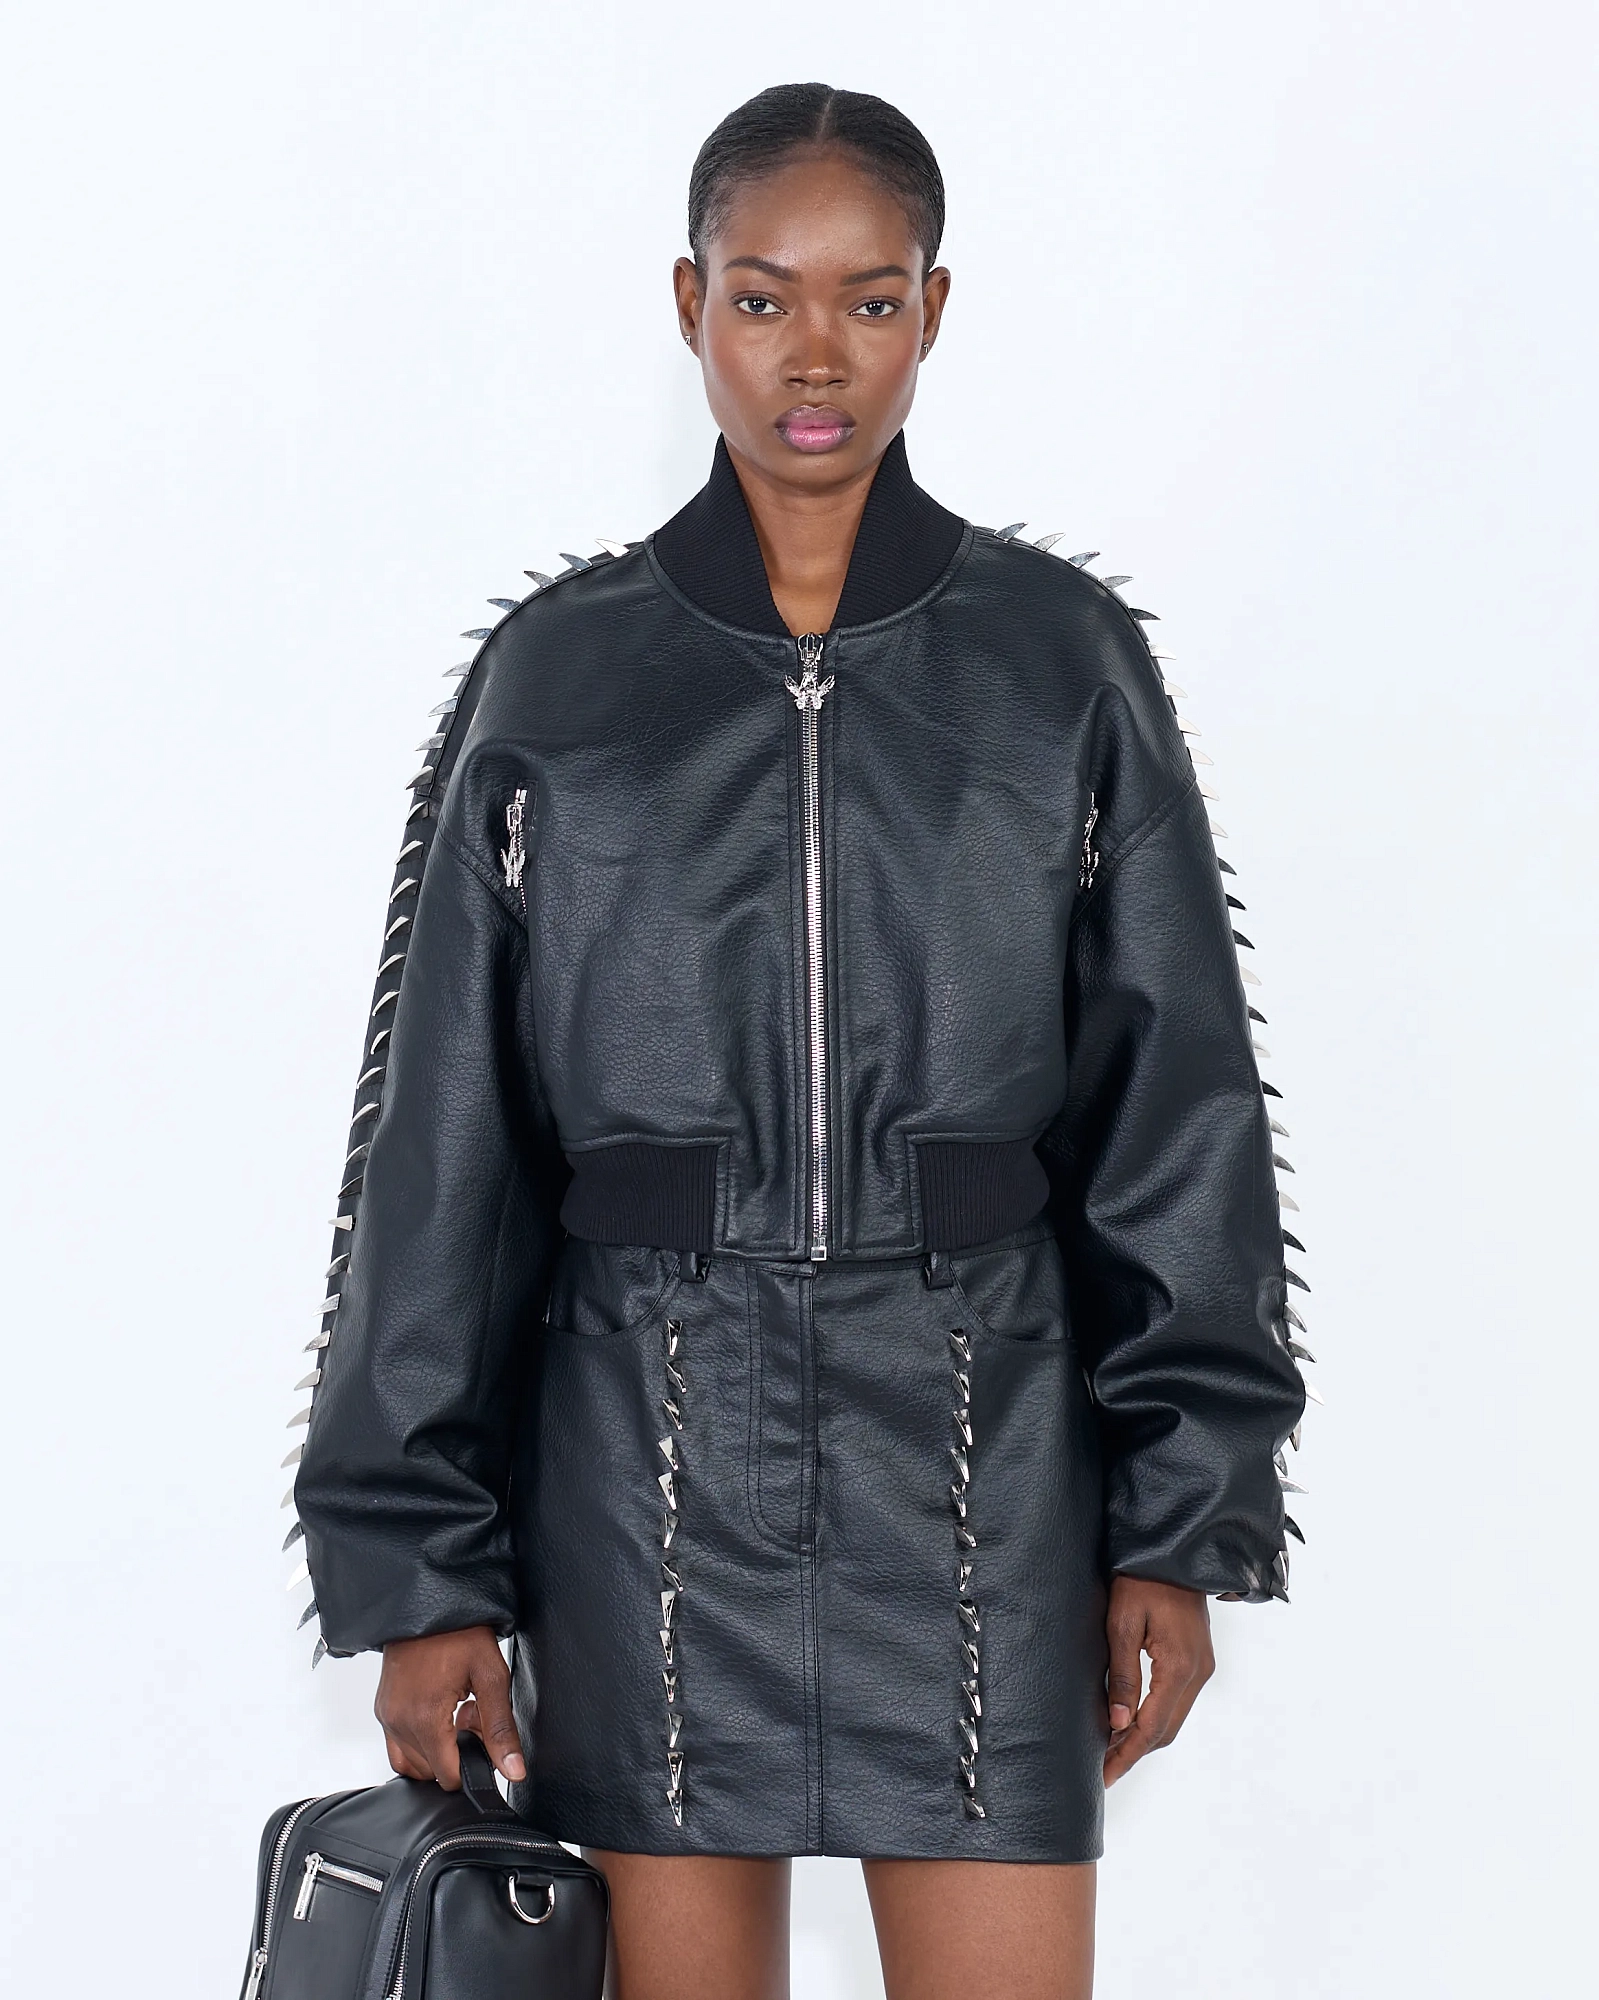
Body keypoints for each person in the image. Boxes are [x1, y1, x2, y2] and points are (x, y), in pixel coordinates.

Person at [288, 80, 1310, 2000]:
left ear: (936, 308)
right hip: (646, 1465)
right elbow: (446, 1146)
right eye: (762, 299)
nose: (814, 355)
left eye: (869, 297)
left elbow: (1174, 1109)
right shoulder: (560, 678)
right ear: (689, 304)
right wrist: (420, 1572)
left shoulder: (1058, 664)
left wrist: (1180, 1522)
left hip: (984, 1458)